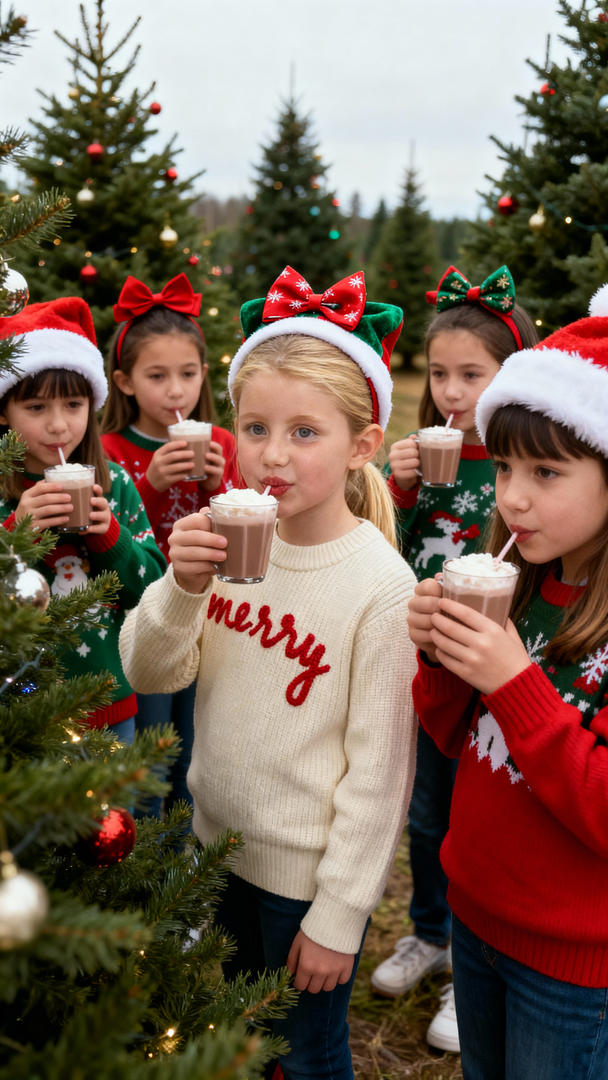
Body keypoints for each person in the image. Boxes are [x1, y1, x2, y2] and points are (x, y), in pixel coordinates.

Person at [119, 266, 418, 1078]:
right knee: (242, 1034)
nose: (271, 456)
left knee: (306, 1055)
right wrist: (180, 587)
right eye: (254, 429)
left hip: (303, 883)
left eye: (304, 433)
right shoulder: (225, 539)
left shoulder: (381, 588)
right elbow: (151, 669)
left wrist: (341, 915)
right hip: (216, 851)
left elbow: (380, 774)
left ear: (363, 445)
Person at [408, 286, 608, 1080]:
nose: (513, 496)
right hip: (475, 918)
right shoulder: (519, 587)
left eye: (548, 472)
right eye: (508, 468)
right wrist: (438, 656)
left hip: (573, 966)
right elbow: (453, 738)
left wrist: (517, 683)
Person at [373, 266, 539, 1053]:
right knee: (427, 807)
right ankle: (431, 933)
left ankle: (469, 972)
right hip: (430, 659)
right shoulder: (418, 462)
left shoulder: (520, 470)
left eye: (472, 375)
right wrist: (396, 493)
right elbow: (378, 553)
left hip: (500, 666)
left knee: (480, 808)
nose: (450, 391)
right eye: (439, 374)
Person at [101, 274, 240, 816]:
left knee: (199, 745)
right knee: (155, 748)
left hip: (214, 614)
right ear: (126, 381)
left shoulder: (221, 443)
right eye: (157, 376)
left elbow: (245, 531)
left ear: (204, 374)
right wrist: (151, 486)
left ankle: (185, 860)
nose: (176, 390)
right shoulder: (111, 450)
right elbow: (110, 534)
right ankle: (149, 853)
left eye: (187, 374)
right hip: (150, 617)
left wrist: (214, 487)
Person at [0, 297, 165, 742]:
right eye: (36, 408)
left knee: (116, 814)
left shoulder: (115, 485)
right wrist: (17, 535)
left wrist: (111, 535)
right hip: (21, 706)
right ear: (3, 412)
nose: (59, 426)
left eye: (73, 405)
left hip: (109, 704)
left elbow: (154, 590)